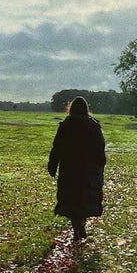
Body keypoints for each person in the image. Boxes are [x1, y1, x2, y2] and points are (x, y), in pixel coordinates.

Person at [48, 96, 107, 243]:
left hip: (70, 168)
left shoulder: (66, 125)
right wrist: (101, 164)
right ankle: (82, 227)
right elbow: (100, 148)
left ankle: (76, 229)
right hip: (89, 170)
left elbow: (57, 147)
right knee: (84, 199)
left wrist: (52, 165)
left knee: (72, 200)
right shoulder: (94, 126)